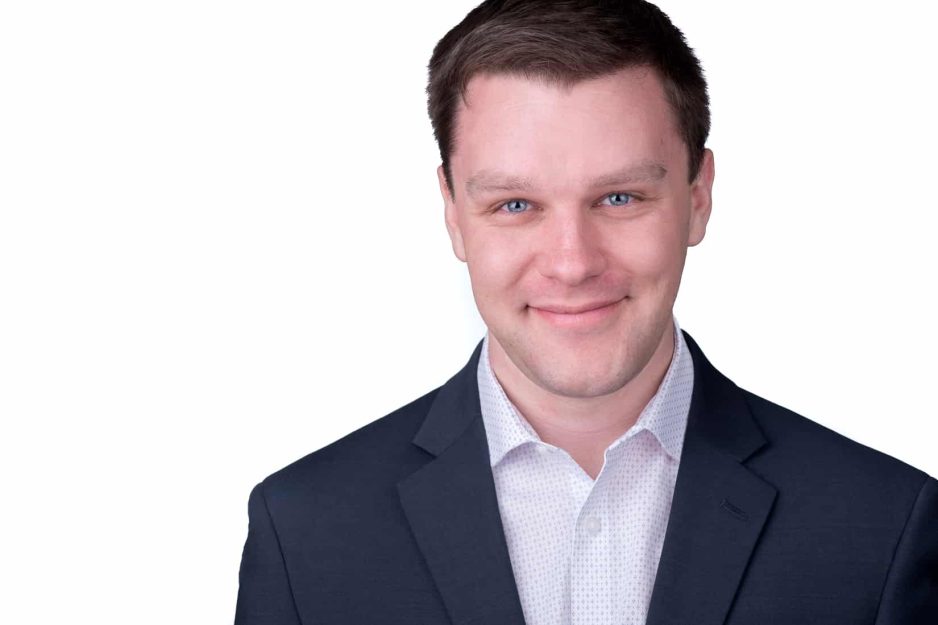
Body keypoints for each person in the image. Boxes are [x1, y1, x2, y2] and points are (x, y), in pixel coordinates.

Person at [234, 1, 938, 623]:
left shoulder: (879, 529)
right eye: (515, 205)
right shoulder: (306, 533)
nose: (572, 261)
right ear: (452, 212)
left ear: (699, 196)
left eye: (620, 198)